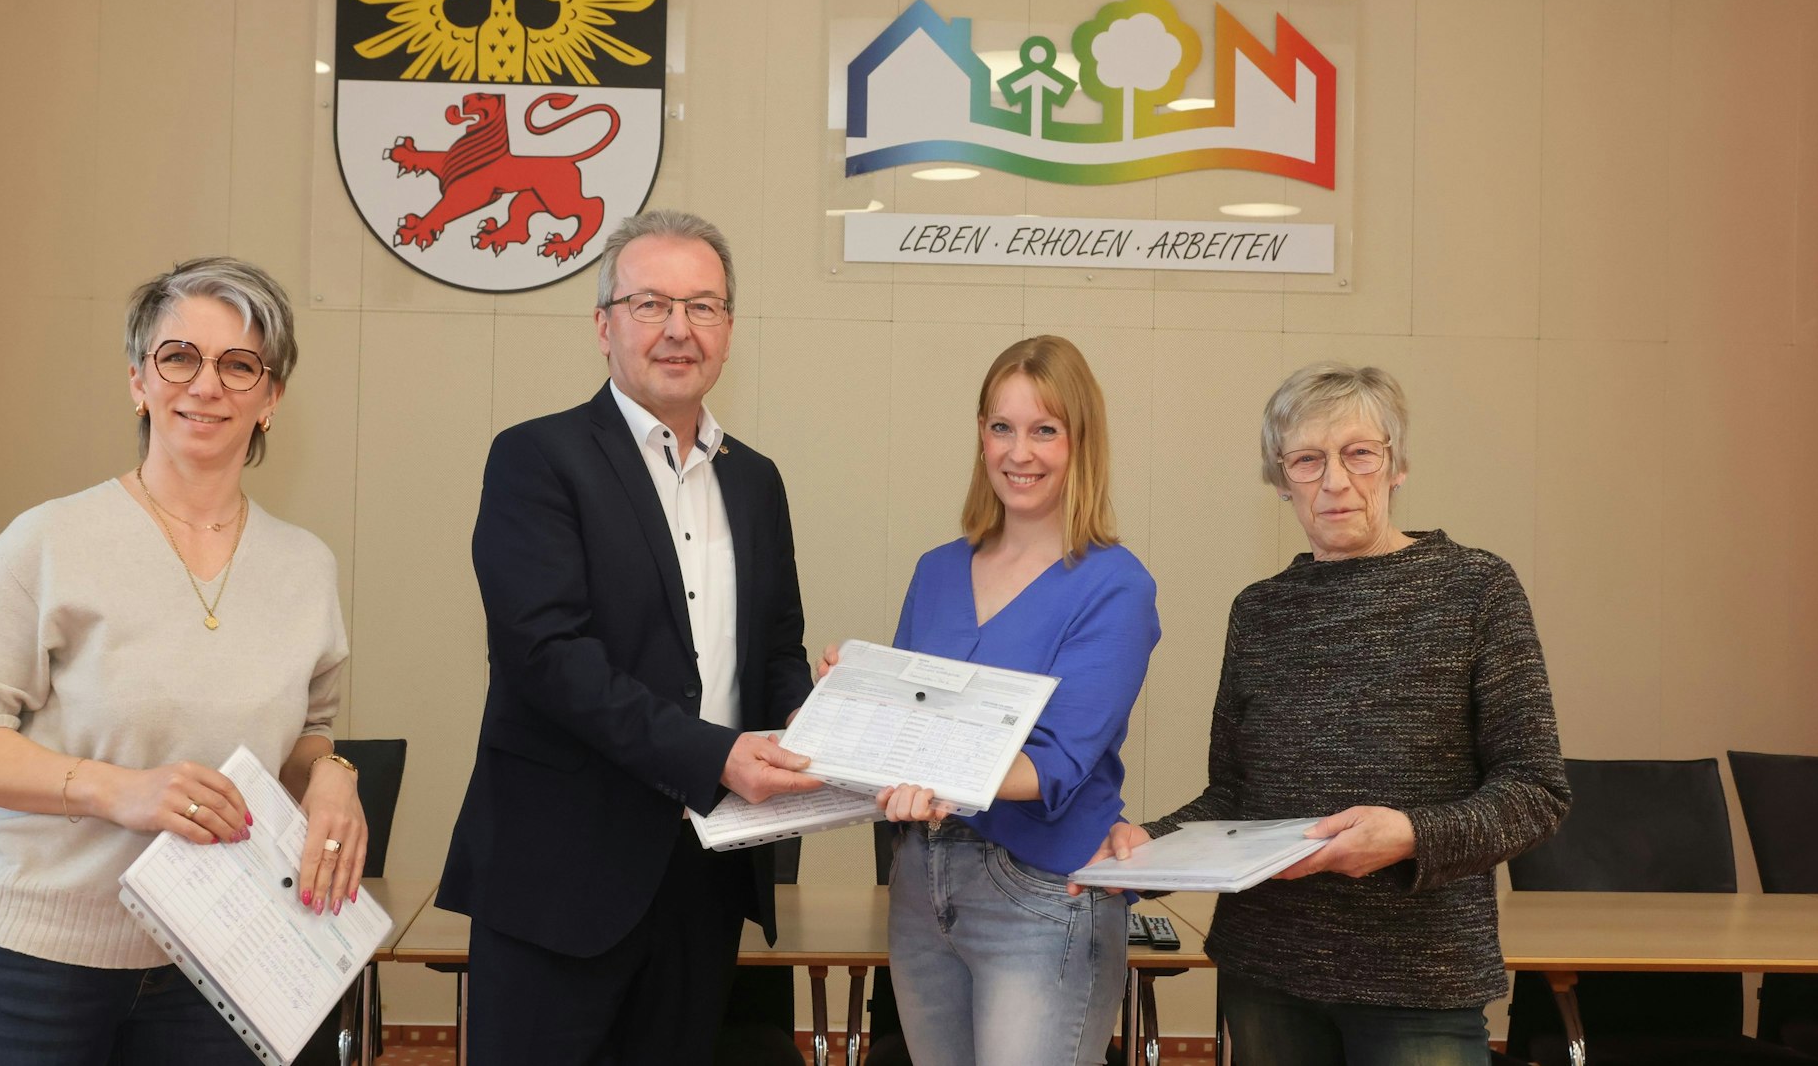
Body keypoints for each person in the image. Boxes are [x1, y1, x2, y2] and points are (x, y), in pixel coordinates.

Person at [0, 257, 360, 1064]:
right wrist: (120, 791)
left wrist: (333, 773)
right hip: (36, 964)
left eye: (240, 365)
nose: (207, 385)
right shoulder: (47, 540)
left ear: (272, 398)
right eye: (178, 356)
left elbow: (307, 734)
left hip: (224, 958)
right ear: (137, 380)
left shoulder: (307, 566)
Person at [1083, 362, 1569, 1066]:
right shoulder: (1259, 610)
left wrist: (1408, 834)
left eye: (1358, 453)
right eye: (1307, 460)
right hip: (1267, 974)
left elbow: (1536, 790)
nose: (1335, 481)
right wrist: (1143, 847)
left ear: (1395, 463)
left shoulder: (1478, 589)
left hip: (1419, 979)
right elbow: (1235, 797)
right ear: (1282, 480)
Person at [437, 208, 821, 1065]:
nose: (678, 328)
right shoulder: (537, 459)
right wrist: (714, 754)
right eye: (651, 304)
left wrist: (819, 717)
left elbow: (776, 649)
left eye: (704, 306)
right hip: (560, 876)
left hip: (706, 873)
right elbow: (548, 656)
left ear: (728, 329)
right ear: (603, 324)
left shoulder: (755, 481)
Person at [832, 335, 1159, 1066]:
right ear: (980, 435)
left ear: (1081, 442)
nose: (1020, 451)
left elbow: (1058, 764)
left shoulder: (1115, 586)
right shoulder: (938, 571)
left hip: (1042, 896)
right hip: (921, 886)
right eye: (1001, 426)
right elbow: (906, 726)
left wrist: (938, 776)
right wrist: (845, 703)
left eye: (1045, 429)